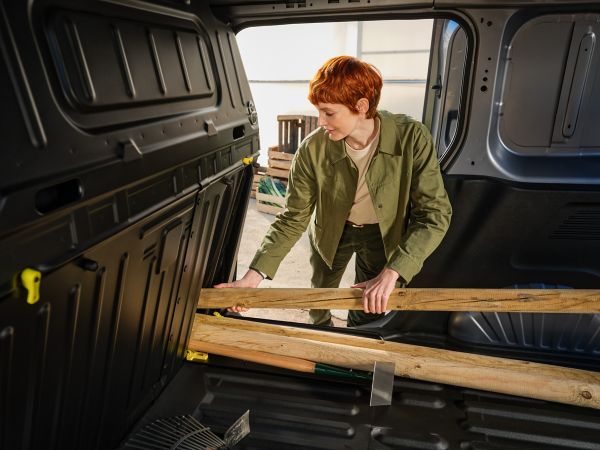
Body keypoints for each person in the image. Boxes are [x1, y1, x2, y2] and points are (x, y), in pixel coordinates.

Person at [215, 55, 452, 327]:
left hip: (382, 234)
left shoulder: (412, 137)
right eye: (318, 111)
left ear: (361, 106)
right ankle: (321, 332)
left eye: (329, 112)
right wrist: (251, 278)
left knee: (368, 304)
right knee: (320, 295)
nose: (320, 122)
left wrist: (393, 272)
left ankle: (357, 345)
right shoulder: (312, 149)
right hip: (330, 232)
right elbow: (293, 218)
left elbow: (435, 214)